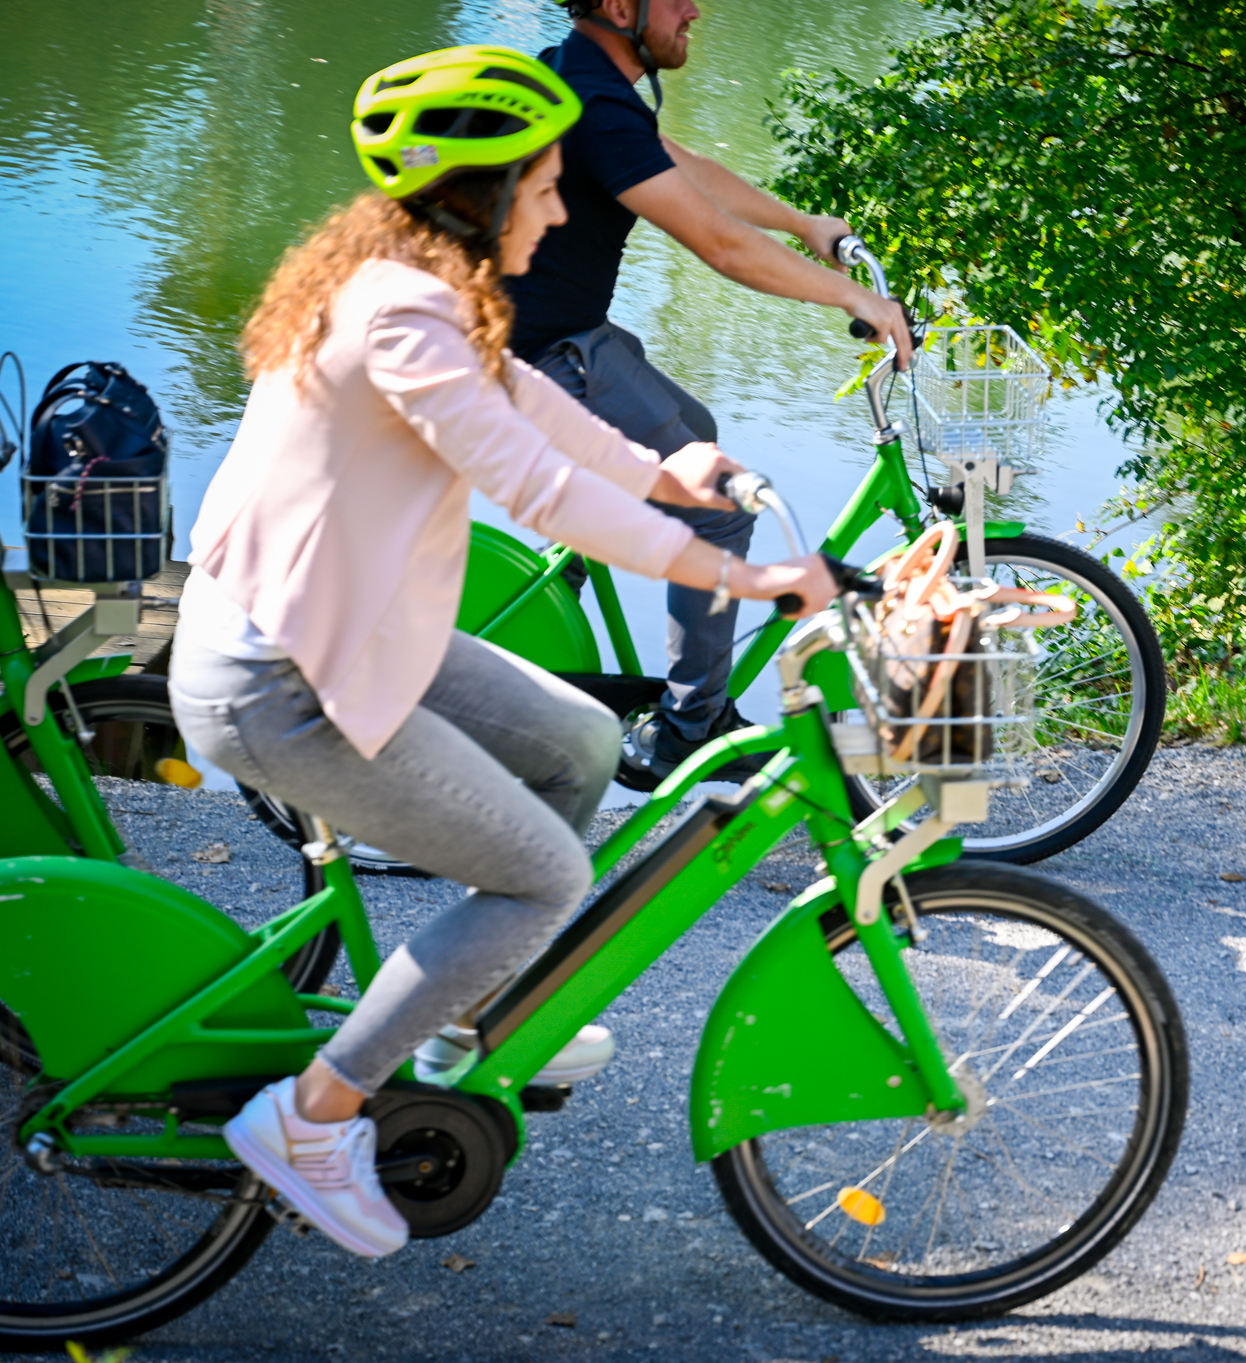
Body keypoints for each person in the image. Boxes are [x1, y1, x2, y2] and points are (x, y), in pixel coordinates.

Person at [167, 45, 836, 1258]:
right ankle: (312, 1116)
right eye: (542, 187)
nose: (560, 210)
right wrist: (738, 576)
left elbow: (523, 409)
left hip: (352, 634)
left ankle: (465, 1021)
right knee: (542, 875)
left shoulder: (421, 290)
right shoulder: (399, 313)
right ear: (482, 195)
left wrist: (660, 472)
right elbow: (534, 486)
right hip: (283, 678)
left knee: (578, 741)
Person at [504, 0, 912, 782]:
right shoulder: (595, 102)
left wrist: (802, 222)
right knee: (719, 502)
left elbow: (682, 167)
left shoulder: (578, 74)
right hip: (548, 359)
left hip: (566, 338)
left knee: (696, 432)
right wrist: (856, 298)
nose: (695, 8)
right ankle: (689, 728)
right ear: (620, 6)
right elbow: (721, 244)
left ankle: (586, 573)